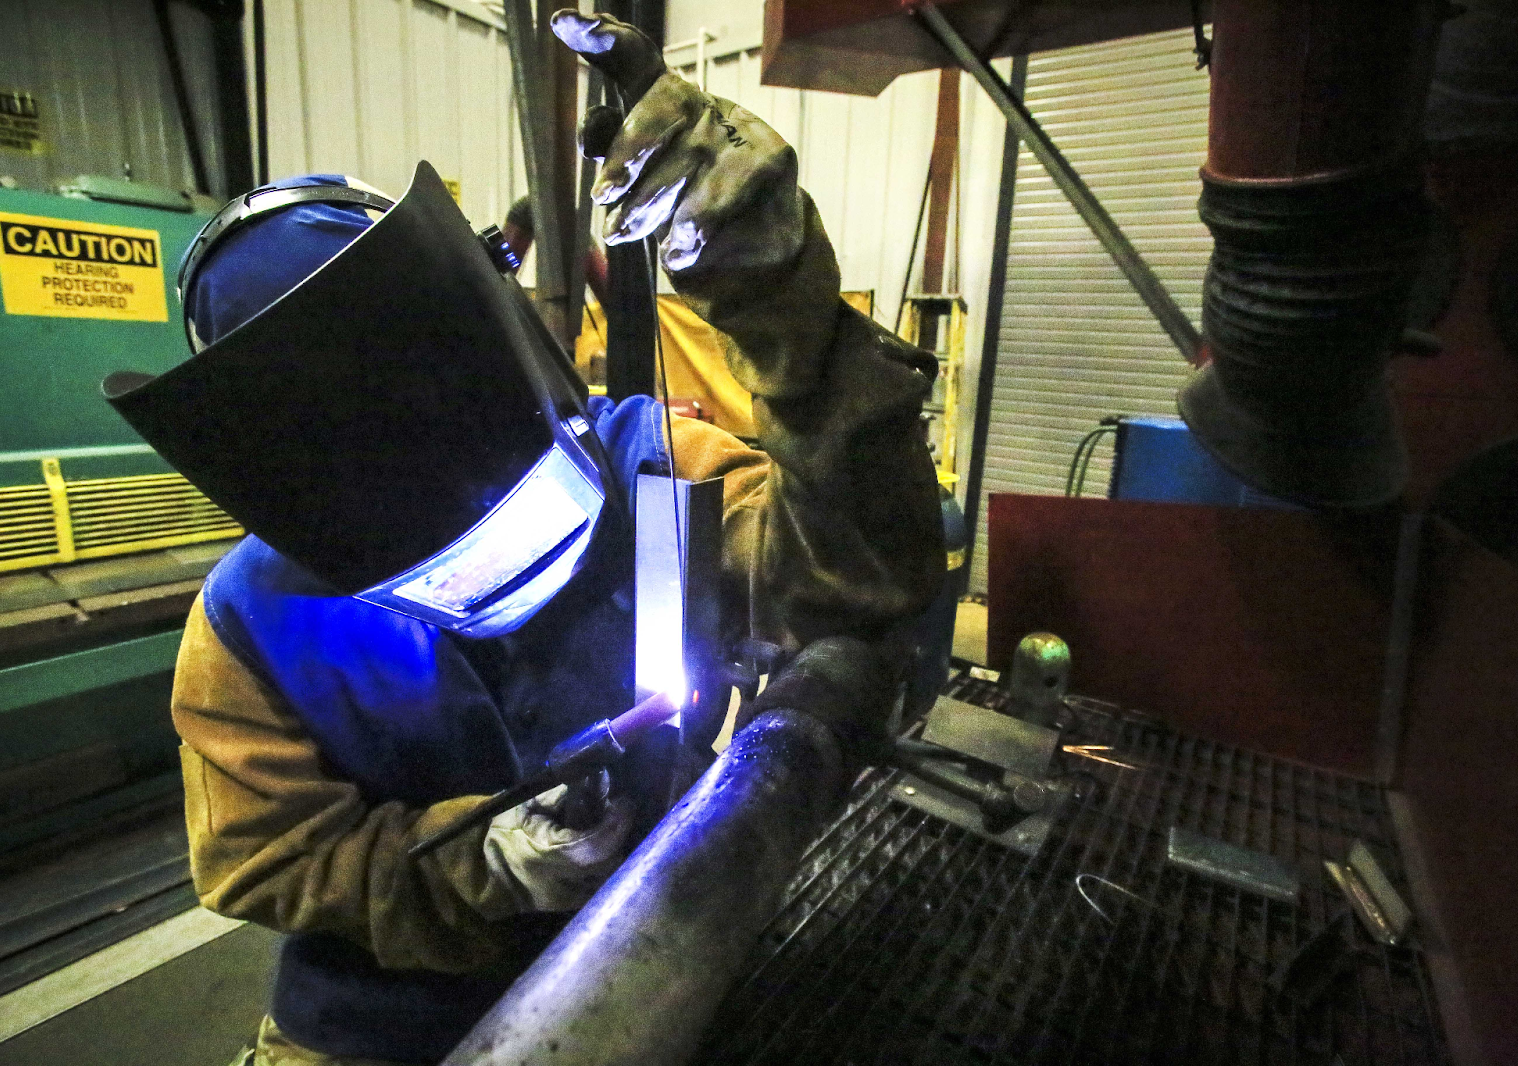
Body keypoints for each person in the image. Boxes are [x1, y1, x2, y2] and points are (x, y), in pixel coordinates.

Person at [103, 12, 943, 1066]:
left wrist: (767, 278)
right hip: (381, 1036)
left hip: (665, 960)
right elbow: (263, 860)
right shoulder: (251, 625)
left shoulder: (653, 472)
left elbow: (861, 577)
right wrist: (481, 866)